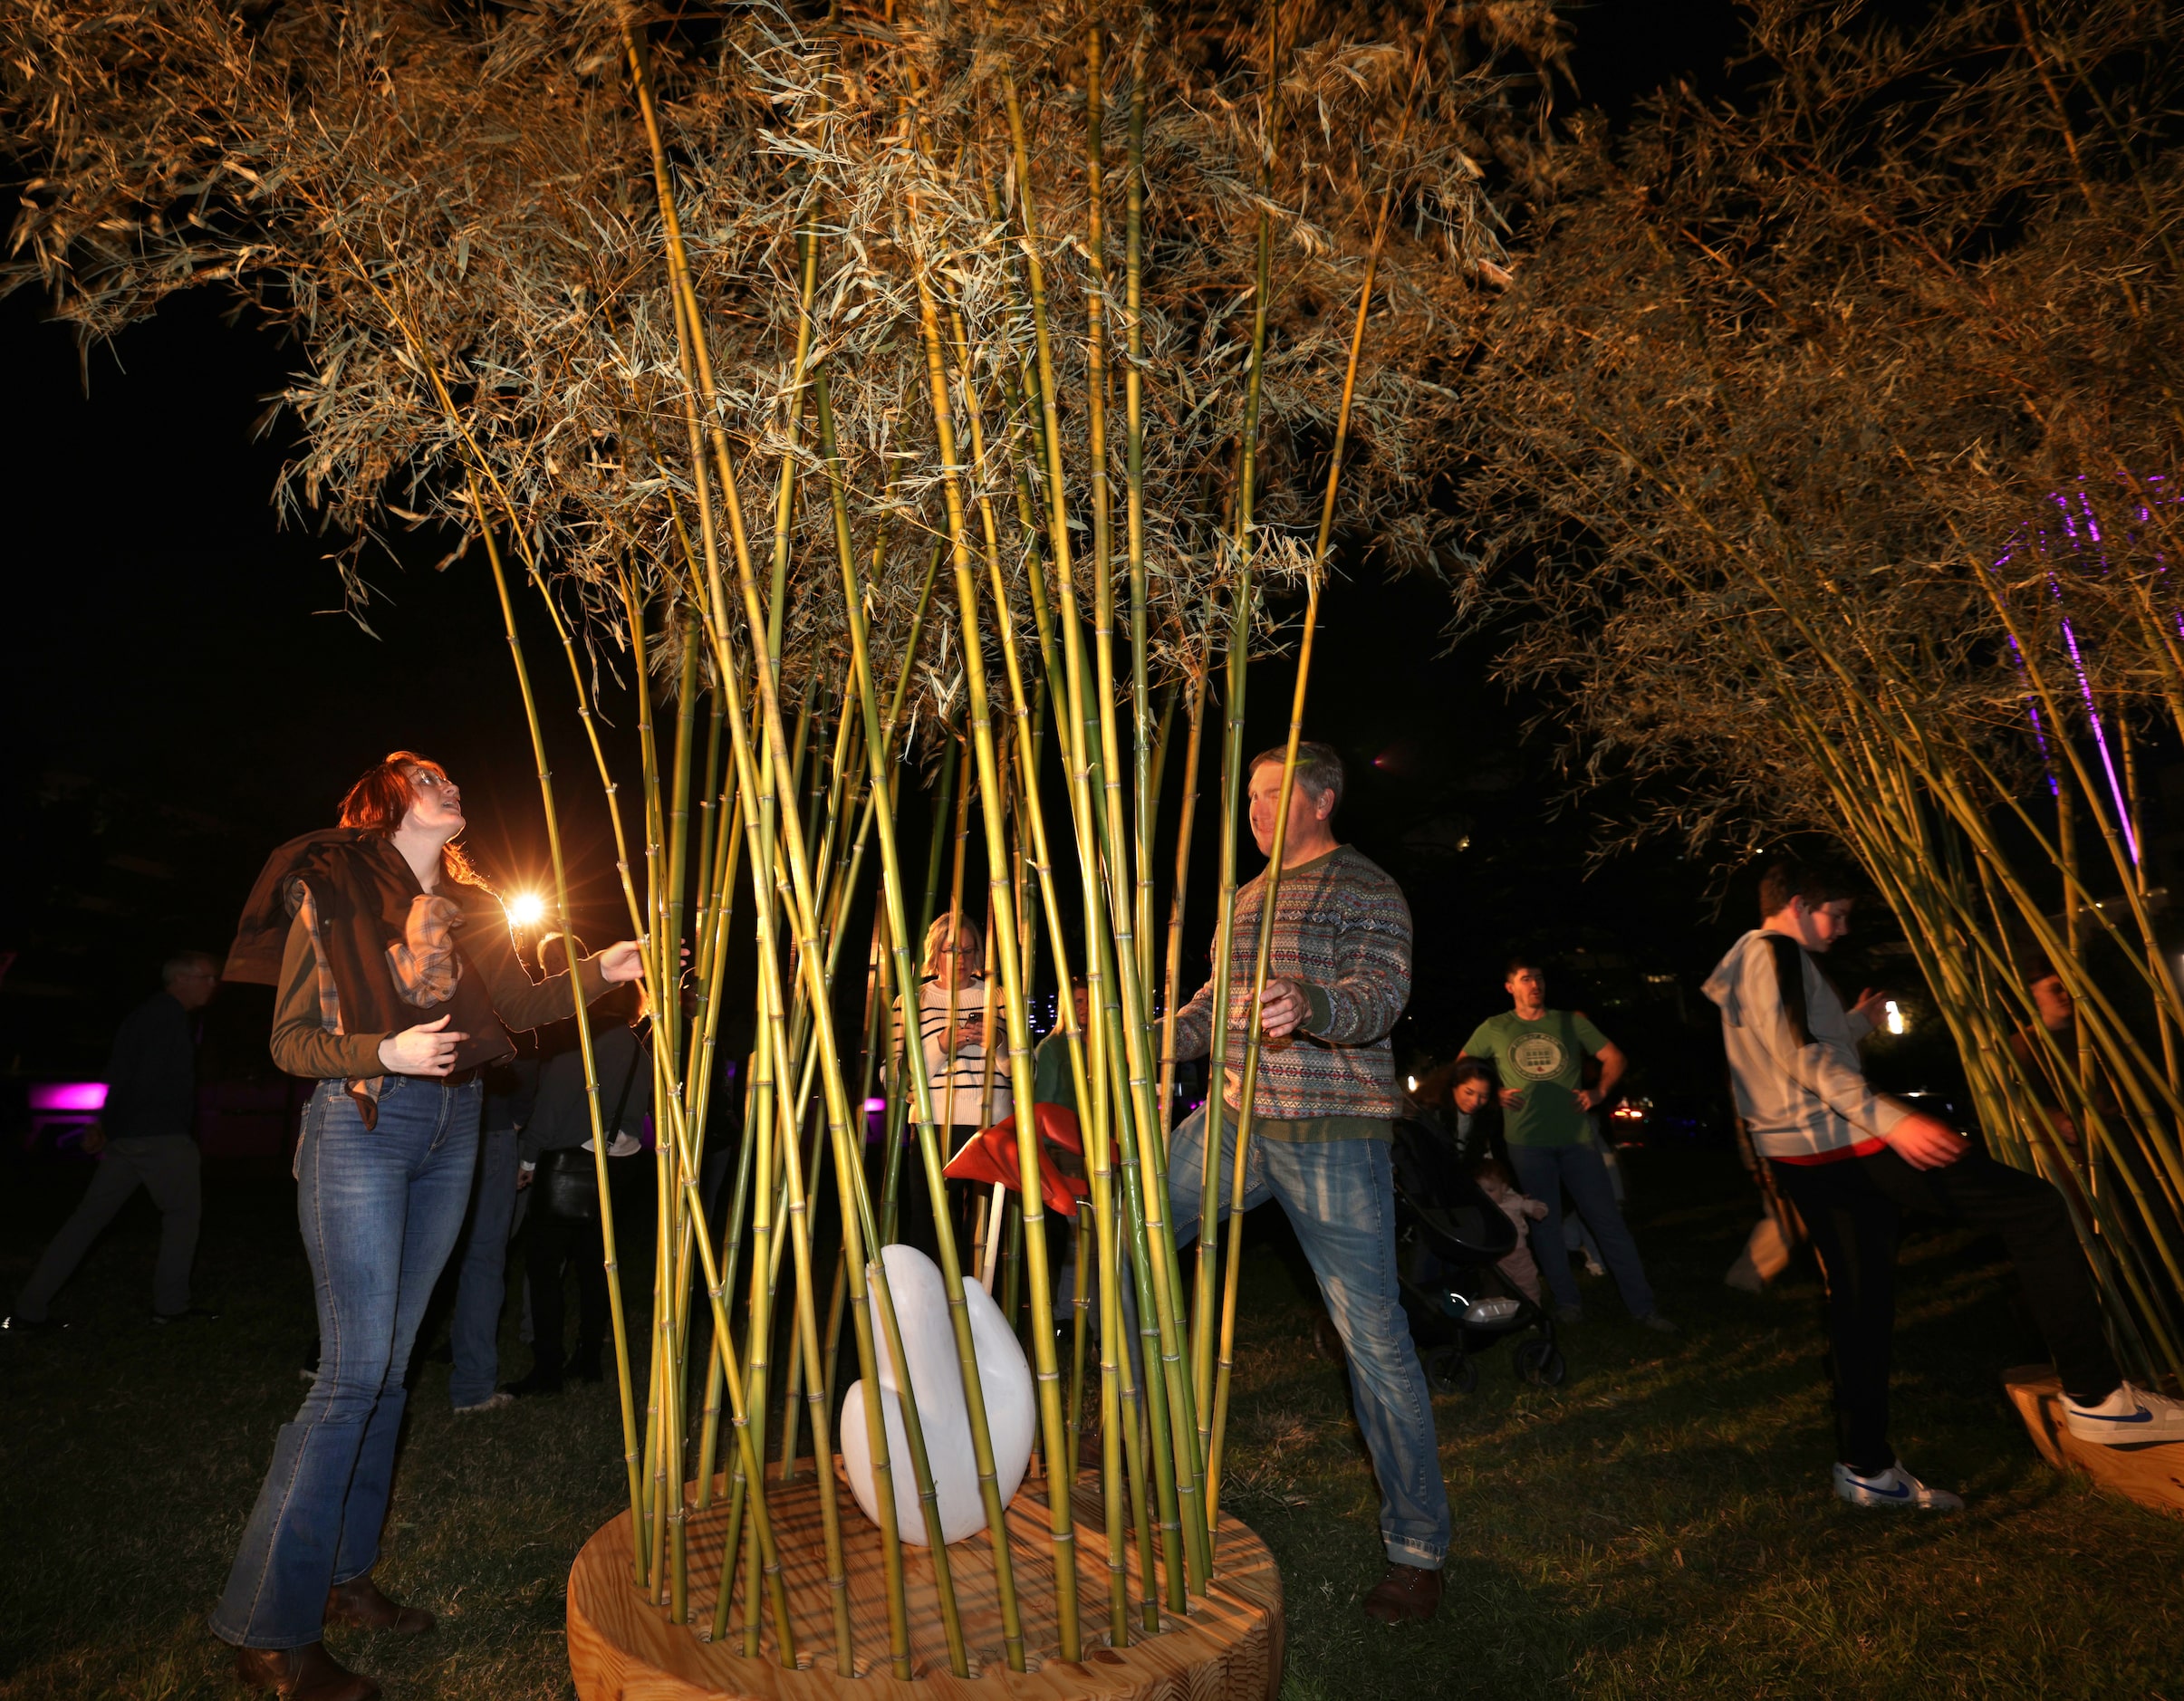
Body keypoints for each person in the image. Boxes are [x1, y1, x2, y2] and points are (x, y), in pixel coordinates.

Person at [210, 752, 644, 1701]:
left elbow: (521, 1006)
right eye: (427, 775)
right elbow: (290, 1043)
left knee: (395, 1370)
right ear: (385, 803)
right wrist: (385, 1049)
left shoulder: (463, 908)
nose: (451, 783)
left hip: (456, 1128)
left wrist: (604, 968)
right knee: (351, 1374)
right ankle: (268, 1631)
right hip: (365, 1117)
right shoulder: (331, 887)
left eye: (452, 775)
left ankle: (344, 1579)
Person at [1703, 857, 2184, 1512]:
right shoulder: (1774, 951)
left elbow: (1785, 1045)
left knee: (1859, 1304)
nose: (1841, 929)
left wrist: (1854, 1024)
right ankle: (2097, 1397)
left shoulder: (1742, 961)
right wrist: (1890, 1120)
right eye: (1835, 914)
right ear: (1793, 902)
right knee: (2037, 1208)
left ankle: (1866, 1468)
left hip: (1805, 1157)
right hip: (1848, 1139)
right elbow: (1797, 1054)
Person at [1163, 740, 1450, 1626]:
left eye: (1269, 794)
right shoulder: (1243, 898)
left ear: (1320, 800)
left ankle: (1417, 1547)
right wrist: (1139, 1037)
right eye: (1246, 796)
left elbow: (1378, 996)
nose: (1251, 810)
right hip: (1234, 1122)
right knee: (1124, 1231)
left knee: (1371, 1338)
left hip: (1330, 1132)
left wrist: (1309, 1005)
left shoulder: (1363, 888)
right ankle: (1117, 1428)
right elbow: (1213, 1014)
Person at [6, 951, 222, 1331]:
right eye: (206, 976)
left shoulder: (142, 1016)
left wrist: (105, 1126)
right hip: (160, 1136)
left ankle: (29, 1309)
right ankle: (170, 1307)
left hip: (126, 1139)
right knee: (182, 1218)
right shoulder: (168, 1017)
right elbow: (149, 1080)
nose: (213, 984)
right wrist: (165, 1129)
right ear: (180, 978)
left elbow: (119, 1074)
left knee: (86, 1220)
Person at [1460, 958, 1673, 1332]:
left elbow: (1614, 1057)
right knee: (1544, 1223)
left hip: (1576, 1140)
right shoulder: (1495, 1027)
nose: (1535, 985)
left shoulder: (1569, 1022)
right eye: (1526, 979)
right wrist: (1494, 1093)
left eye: (1539, 978)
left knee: (1607, 1221)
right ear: (1510, 987)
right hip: (1527, 1143)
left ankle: (1643, 1307)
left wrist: (1600, 1091)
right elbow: (1463, 1068)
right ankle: (1567, 1303)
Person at [508, 985, 652, 1396]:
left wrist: (529, 1156)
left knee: (543, 1266)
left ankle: (548, 1367)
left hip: (574, 1162)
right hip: (620, 1164)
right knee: (595, 1266)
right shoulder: (637, 1047)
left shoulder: (588, 1041)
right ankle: (589, 1358)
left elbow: (554, 1100)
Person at [890, 911, 1011, 1255]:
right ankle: (933, 1305)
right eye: (951, 950)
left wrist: (999, 1042)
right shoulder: (913, 1002)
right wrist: (942, 1044)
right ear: (936, 952)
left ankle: (980, 1304)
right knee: (930, 1226)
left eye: (969, 951)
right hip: (933, 1124)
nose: (961, 960)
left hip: (991, 1125)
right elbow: (896, 1077)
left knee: (986, 1232)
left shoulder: (1000, 998)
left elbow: (1025, 1072)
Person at [440, 1054, 535, 1414]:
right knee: (482, 1261)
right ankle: (472, 1388)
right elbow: (525, 1058)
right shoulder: (501, 998)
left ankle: (378, 1383)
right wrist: (514, 1120)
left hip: (429, 1120)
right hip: (488, 1126)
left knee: (409, 1258)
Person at [1473, 1158, 1549, 1304]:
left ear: (1503, 1188)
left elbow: (1532, 1204)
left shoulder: (1514, 1201)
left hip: (1519, 1255)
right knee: (1493, 1288)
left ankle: (1533, 1311)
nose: (1485, 1195)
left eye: (1490, 1190)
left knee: (1528, 1284)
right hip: (1496, 1258)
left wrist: (1538, 1210)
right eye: (1481, 1191)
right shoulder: (1481, 1209)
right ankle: (1497, 1315)